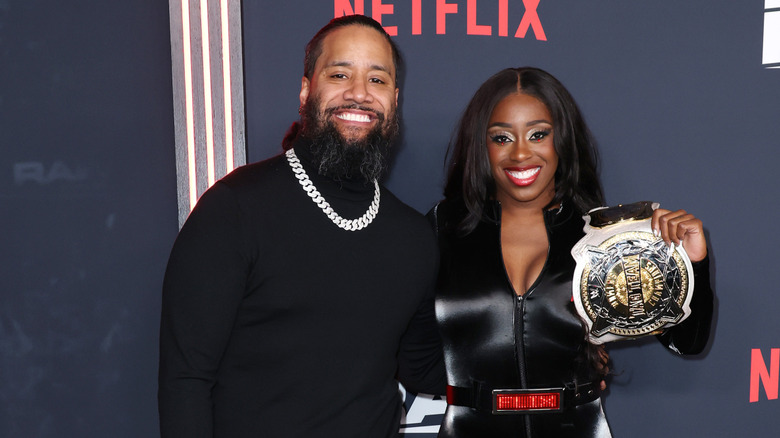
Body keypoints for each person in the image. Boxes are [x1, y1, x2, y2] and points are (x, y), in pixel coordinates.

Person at [158, 15, 445, 437]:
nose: (359, 94)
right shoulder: (235, 209)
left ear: (395, 100)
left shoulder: (413, 236)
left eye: (377, 80)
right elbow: (186, 380)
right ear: (307, 90)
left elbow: (424, 368)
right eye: (340, 74)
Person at [429, 67, 713, 437]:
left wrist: (694, 264)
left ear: (562, 138)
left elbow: (686, 342)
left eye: (538, 134)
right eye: (501, 137)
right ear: (480, 144)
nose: (520, 153)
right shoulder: (441, 227)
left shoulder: (611, 236)